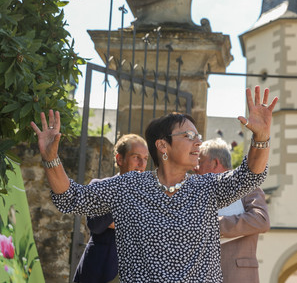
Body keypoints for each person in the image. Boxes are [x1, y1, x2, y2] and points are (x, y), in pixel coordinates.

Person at [31, 86, 278, 282]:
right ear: (163, 146)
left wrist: (262, 138)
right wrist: (51, 158)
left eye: (198, 137)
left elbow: (250, 175)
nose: (197, 143)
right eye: (188, 136)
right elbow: (71, 198)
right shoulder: (128, 187)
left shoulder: (207, 188)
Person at [73, 134, 149, 283]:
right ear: (120, 159)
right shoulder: (99, 186)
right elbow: (96, 225)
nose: (142, 163)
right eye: (136, 157)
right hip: (97, 272)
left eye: (145, 158)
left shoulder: (152, 195)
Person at [196, 138, 270, 283]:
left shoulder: (248, 187)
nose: (195, 168)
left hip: (237, 275)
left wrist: (214, 225)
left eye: (200, 162)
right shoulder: (196, 191)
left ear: (215, 163)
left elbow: (261, 220)